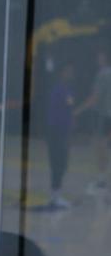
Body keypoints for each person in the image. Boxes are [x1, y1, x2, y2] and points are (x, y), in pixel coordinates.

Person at [74, 46, 111, 194]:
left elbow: (94, 98)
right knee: (104, 147)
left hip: (104, 116)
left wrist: (77, 111)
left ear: (104, 57)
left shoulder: (103, 74)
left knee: (100, 148)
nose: (97, 58)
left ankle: (101, 181)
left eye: (99, 56)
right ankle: (102, 180)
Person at [44, 62, 75, 210]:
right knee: (57, 163)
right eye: (68, 71)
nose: (71, 74)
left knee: (62, 163)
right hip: (56, 131)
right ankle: (55, 196)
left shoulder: (68, 90)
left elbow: (69, 109)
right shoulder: (58, 90)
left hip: (63, 131)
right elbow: (57, 113)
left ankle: (56, 193)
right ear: (62, 73)